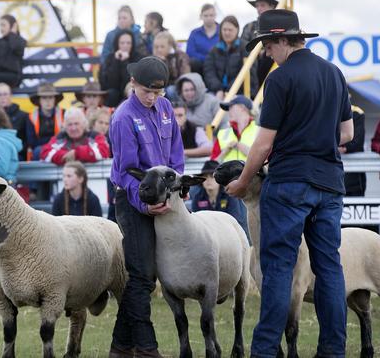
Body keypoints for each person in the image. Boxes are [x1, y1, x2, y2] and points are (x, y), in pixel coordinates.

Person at [224, 10, 353, 357]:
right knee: (328, 266)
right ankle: (332, 350)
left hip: (289, 184)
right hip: (329, 183)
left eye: (267, 45)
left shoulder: (280, 80)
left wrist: (242, 181)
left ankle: (265, 351)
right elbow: (347, 133)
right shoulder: (334, 73)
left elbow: (263, 144)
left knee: (278, 267)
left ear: (282, 39)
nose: (266, 53)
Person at [109, 56, 184, 358]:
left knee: (145, 275)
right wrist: (142, 202)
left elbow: (175, 153)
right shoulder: (123, 118)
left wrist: (177, 188)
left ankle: (121, 347)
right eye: (146, 91)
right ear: (133, 84)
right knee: (141, 275)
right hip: (132, 199)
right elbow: (125, 170)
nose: (152, 97)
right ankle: (147, 348)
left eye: (158, 92)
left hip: (163, 198)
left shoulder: (165, 109)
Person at [204, 15, 258, 100]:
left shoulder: (246, 48)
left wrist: (229, 91)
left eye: (230, 30)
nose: (227, 33)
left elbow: (248, 73)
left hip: (241, 93)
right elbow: (209, 72)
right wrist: (218, 89)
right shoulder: (214, 50)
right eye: (224, 30)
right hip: (218, 92)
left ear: (237, 30)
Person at [191, 160, 248, 238]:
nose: (208, 181)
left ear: (219, 179)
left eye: (212, 177)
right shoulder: (198, 197)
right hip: (208, 235)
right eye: (205, 177)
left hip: (231, 235)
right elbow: (195, 221)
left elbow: (235, 219)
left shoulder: (229, 194)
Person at [40, 108, 110, 165]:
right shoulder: (60, 138)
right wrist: (65, 155)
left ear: (83, 124)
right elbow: (45, 153)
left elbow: (103, 152)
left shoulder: (95, 136)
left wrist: (76, 153)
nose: (73, 128)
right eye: (70, 124)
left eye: (76, 124)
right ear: (65, 126)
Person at [240, 0, 278, 85]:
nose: (259, 9)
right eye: (257, 6)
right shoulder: (249, 27)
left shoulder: (278, 26)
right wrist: (256, 53)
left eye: (262, 5)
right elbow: (243, 46)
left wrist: (265, 52)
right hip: (251, 65)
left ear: (272, 6)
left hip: (270, 64)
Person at [0, 82, 34, 161]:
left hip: (17, 154)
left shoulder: (23, 116)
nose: (3, 97)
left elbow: (29, 141)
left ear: (11, 95)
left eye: (5, 94)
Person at [100, 30, 143, 108]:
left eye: (128, 43)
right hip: (114, 93)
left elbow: (131, 81)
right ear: (117, 44)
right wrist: (116, 61)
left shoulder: (138, 58)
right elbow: (110, 83)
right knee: (112, 93)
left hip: (130, 91)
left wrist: (124, 62)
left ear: (132, 44)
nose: (125, 45)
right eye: (122, 43)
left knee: (133, 92)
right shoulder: (110, 58)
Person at [210, 95, 259, 162]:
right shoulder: (222, 134)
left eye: (231, 107)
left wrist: (240, 146)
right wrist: (225, 152)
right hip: (227, 172)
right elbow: (212, 164)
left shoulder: (259, 132)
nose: (229, 111)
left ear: (242, 108)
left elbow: (267, 161)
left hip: (254, 173)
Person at [29, 83, 66, 160]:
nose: (48, 101)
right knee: (37, 151)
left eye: (50, 97)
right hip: (40, 148)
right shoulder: (31, 116)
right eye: (44, 98)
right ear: (39, 100)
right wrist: (50, 143)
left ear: (55, 99)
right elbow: (31, 141)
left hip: (60, 145)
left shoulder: (64, 113)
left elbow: (66, 136)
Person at [152, 31, 190, 101]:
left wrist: (164, 63)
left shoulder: (180, 56)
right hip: (161, 87)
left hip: (178, 86)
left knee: (170, 90)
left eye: (162, 47)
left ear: (170, 46)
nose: (159, 50)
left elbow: (184, 76)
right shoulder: (153, 59)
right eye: (156, 47)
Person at [340, 102, 367, 196]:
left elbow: (356, 143)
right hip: (329, 179)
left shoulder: (357, 113)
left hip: (353, 179)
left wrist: (340, 147)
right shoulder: (324, 110)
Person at [186, 3, 220, 73]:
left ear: (215, 15)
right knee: (193, 62)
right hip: (199, 66)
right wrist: (206, 59)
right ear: (201, 16)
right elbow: (190, 52)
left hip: (219, 65)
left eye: (211, 15)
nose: (209, 18)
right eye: (206, 15)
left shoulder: (223, 31)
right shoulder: (194, 33)